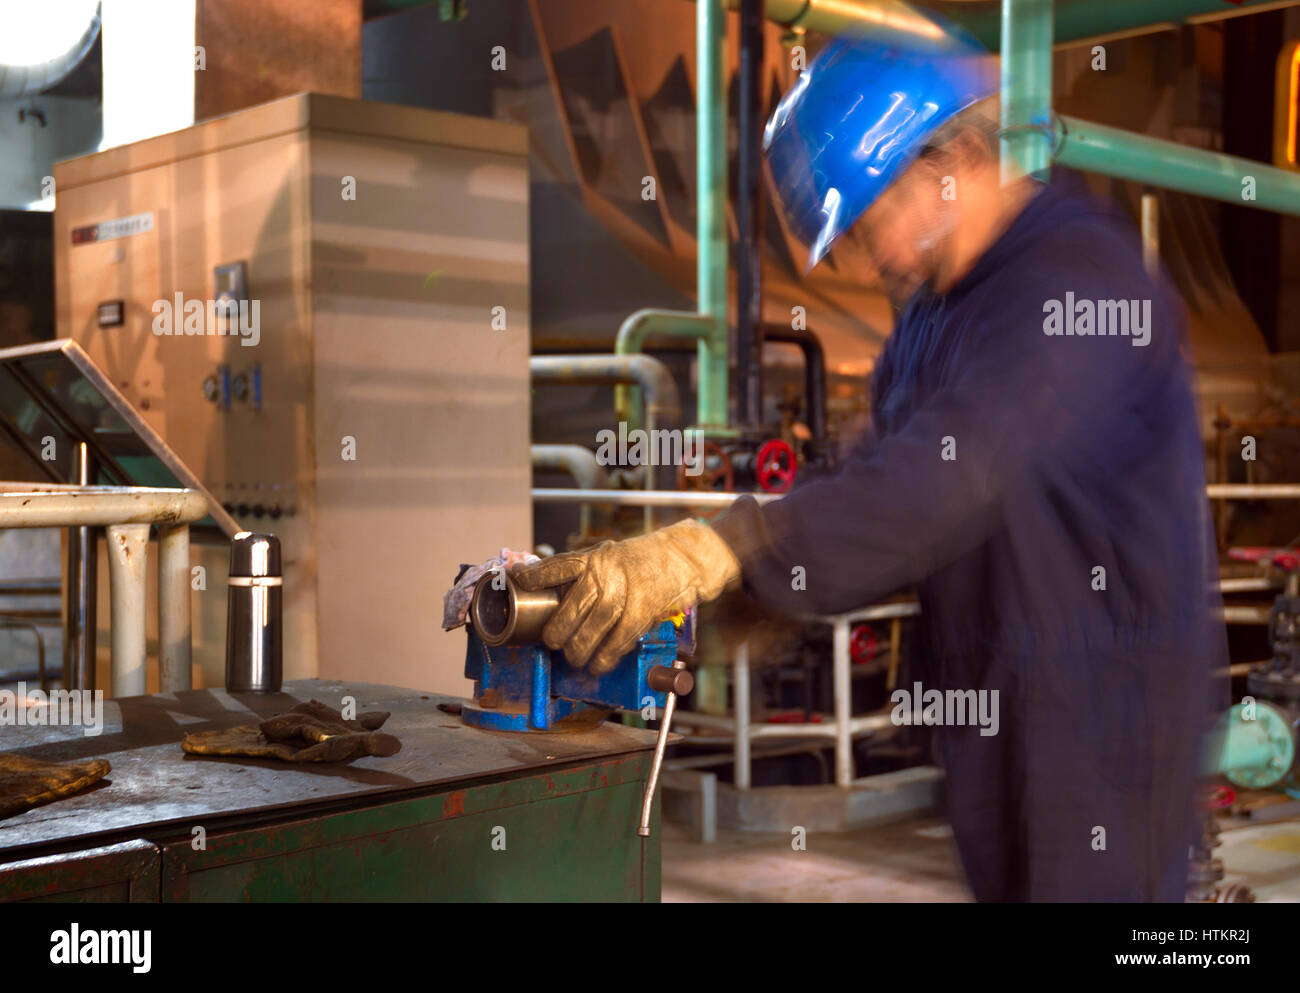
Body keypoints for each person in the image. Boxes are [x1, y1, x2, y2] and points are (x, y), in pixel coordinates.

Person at [513, 23, 1224, 901]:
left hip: (1104, 712)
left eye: (878, 214)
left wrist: (726, 545)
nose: (875, 254)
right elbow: (872, 472)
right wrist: (728, 590)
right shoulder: (935, 313)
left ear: (954, 157)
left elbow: (948, 477)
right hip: (995, 697)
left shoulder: (1079, 276)